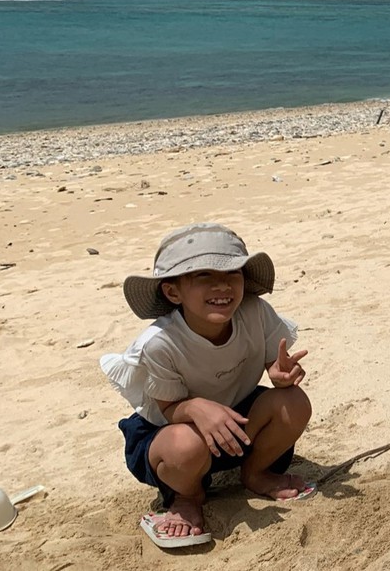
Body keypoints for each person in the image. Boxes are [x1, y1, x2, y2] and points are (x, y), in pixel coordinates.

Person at [100, 223, 315, 550]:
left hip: (238, 424)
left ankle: (256, 473)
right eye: (204, 276)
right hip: (174, 432)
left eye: (232, 274)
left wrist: (279, 373)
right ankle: (187, 496)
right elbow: (168, 409)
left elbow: (274, 363)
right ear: (173, 292)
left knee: (293, 402)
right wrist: (198, 408)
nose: (222, 285)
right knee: (184, 445)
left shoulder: (254, 311)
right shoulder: (160, 343)